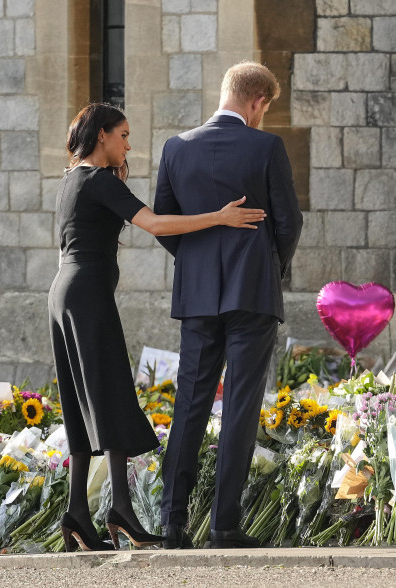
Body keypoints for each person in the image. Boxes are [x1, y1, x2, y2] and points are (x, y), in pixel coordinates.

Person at [48, 103, 266, 552]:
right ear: (102, 135)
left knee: (82, 398)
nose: (128, 144)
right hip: (87, 293)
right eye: (123, 135)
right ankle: (120, 512)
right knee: (108, 392)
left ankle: (78, 513)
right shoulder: (97, 180)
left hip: (63, 292)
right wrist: (219, 217)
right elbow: (155, 223)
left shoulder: (70, 181)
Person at [155, 61, 304, 549]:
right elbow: (289, 220)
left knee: (189, 405)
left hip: (197, 296)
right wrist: (267, 263)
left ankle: (172, 523)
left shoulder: (176, 148)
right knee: (240, 405)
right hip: (252, 293)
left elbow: (166, 222)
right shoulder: (266, 146)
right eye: (266, 107)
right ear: (258, 101)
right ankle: (224, 525)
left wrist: (197, 262)